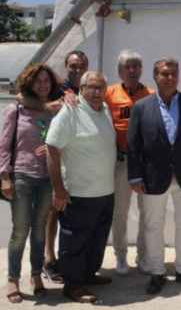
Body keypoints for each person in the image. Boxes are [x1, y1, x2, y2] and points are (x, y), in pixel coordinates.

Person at [127, 58, 181, 295]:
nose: (170, 78)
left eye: (174, 73)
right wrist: (135, 177)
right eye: (165, 74)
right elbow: (134, 146)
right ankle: (157, 272)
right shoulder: (141, 107)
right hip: (153, 177)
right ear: (155, 76)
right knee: (153, 226)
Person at [45, 71, 116, 303]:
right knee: (74, 241)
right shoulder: (70, 111)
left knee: (96, 239)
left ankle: (87, 275)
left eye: (100, 88)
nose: (96, 92)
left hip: (105, 192)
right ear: (81, 89)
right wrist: (58, 190)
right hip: (79, 193)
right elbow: (52, 148)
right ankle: (73, 286)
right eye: (91, 87)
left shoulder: (104, 110)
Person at [0, 64, 59, 303]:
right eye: (38, 81)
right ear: (29, 83)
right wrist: (4, 176)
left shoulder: (55, 111)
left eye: (47, 80)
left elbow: (62, 140)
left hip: (47, 178)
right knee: (20, 230)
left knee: (39, 232)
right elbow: (4, 145)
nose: (43, 84)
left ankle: (36, 276)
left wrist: (52, 148)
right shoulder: (15, 109)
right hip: (22, 176)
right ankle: (13, 279)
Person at [38, 50, 89, 284]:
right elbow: (28, 101)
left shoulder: (90, 88)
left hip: (80, 160)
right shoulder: (58, 88)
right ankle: (49, 259)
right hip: (57, 156)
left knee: (75, 213)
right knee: (53, 210)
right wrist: (58, 103)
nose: (76, 69)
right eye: (72, 65)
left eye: (81, 66)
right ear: (66, 66)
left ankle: (76, 262)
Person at [104, 50, 153, 275]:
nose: (132, 70)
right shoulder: (109, 93)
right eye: (127, 67)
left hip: (145, 163)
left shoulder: (151, 95)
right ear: (120, 71)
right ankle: (121, 256)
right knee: (119, 212)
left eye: (136, 66)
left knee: (147, 212)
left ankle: (143, 256)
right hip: (120, 161)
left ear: (141, 70)